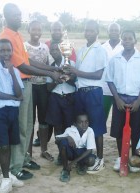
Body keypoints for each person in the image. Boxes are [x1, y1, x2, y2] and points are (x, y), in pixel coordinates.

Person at [0, 3, 62, 180]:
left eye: (19, 15)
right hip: (19, 85)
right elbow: (22, 65)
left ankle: (25, 159)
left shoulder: (17, 35)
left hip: (27, 84)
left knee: (27, 126)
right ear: (6, 16)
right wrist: (50, 73)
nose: (18, 17)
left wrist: (51, 70)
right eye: (14, 15)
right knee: (21, 127)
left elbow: (29, 61)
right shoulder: (7, 36)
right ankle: (16, 167)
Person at [64, 20, 107, 174]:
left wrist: (76, 72)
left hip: (94, 92)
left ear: (97, 32)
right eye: (86, 30)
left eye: (91, 30)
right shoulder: (81, 50)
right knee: (82, 126)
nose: (88, 33)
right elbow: (78, 75)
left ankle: (100, 159)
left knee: (97, 127)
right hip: (81, 92)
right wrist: (68, 74)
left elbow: (98, 74)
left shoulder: (100, 50)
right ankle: (82, 158)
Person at [105, 30, 140, 172]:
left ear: (135, 40)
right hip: (120, 100)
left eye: (130, 38)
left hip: (136, 100)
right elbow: (110, 80)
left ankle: (133, 159)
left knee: (136, 131)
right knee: (119, 131)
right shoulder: (115, 59)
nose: (127, 41)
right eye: (125, 39)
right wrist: (117, 99)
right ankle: (120, 158)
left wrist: (139, 101)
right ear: (121, 41)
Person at [32, 21, 76, 147]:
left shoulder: (68, 48)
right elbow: (47, 76)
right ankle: (43, 138)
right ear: (50, 31)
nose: (56, 32)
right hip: (51, 90)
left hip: (68, 95)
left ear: (63, 31)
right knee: (52, 118)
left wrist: (66, 75)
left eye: (59, 29)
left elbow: (74, 77)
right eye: (54, 29)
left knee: (67, 123)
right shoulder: (46, 46)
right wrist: (55, 76)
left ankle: (66, 149)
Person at [0, 39, 24, 192]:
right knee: (3, 146)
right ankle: (5, 179)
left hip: (13, 112)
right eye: (2, 51)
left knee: (10, 144)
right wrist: (13, 98)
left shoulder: (14, 71)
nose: (6, 53)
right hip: (0, 112)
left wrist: (12, 73)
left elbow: (19, 93)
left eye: (8, 50)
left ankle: (9, 175)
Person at [24, 20, 54, 162]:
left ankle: (44, 150)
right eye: (33, 29)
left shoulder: (45, 48)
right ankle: (28, 153)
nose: (36, 33)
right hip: (29, 86)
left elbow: (47, 65)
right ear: (28, 30)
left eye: (39, 30)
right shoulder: (24, 47)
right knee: (29, 121)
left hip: (42, 88)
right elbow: (26, 65)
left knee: (43, 120)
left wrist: (53, 74)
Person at [45, 42, 76, 165]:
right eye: (51, 50)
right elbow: (48, 88)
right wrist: (56, 80)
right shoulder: (51, 67)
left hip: (69, 98)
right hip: (55, 98)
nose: (54, 52)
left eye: (56, 49)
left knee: (70, 127)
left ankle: (71, 152)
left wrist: (66, 77)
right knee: (57, 127)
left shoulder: (71, 64)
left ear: (62, 50)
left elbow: (76, 82)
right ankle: (61, 153)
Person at [55, 113, 96, 182]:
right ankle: (65, 169)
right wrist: (67, 137)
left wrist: (72, 163)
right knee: (63, 143)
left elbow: (89, 150)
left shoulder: (90, 131)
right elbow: (57, 140)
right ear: (75, 124)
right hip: (72, 153)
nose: (84, 124)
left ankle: (81, 164)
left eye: (86, 122)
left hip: (82, 153)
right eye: (81, 122)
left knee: (91, 160)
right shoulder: (70, 130)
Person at [101, 22, 123, 121]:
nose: (114, 32)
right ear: (108, 32)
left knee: (119, 120)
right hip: (104, 88)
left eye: (116, 30)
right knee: (102, 117)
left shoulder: (126, 46)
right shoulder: (102, 47)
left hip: (120, 89)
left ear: (120, 32)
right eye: (111, 30)